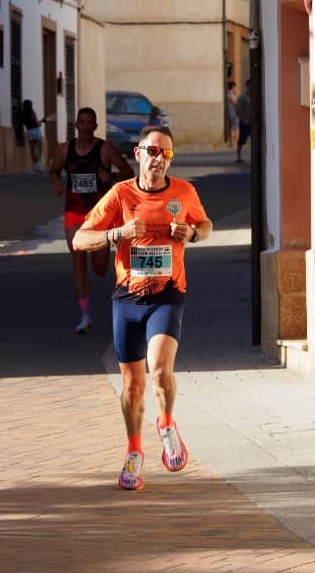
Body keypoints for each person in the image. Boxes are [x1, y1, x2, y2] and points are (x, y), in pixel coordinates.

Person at [72, 125, 213, 490]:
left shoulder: (183, 192)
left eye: (166, 154)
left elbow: (205, 224)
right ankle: (134, 450)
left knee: (160, 370)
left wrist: (192, 234)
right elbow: (80, 238)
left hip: (167, 295)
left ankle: (166, 424)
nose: (158, 159)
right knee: (133, 387)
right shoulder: (120, 194)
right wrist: (115, 234)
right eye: (152, 151)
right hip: (127, 300)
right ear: (138, 154)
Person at [49, 107, 134, 333]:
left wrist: (111, 176)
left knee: (99, 269)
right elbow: (54, 170)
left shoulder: (105, 149)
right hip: (74, 212)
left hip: (99, 216)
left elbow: (128, 172)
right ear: (76, 125)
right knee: (78, 261)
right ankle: (85, 316)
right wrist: (56, 184)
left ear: (95, 126)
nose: (86, 127)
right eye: (82, 123)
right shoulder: (64, 149)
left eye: (90, 123)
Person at [22, 100, 44, 172]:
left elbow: (25, 123)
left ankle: (34, 164)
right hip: (36, 131)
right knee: (39, 148)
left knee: (32, 149)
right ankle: (38, 164)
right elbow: (37, 123)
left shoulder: (23, 114)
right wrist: (41, 122)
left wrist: (38, 122)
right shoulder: (32, 113)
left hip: (29, 132)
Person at [235, 79, 251, 164]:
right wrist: (243, 119)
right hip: (244, 122)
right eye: (249, 86)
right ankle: (238, 157)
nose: (251, 88)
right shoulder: (242, 97)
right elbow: (237, 109)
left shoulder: (256, 96)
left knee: (256, 141)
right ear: (246, 86)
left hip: (253, 123)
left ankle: (256, 157)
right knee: (242, 140)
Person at [225, 80, 239, 147]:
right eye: (235, 87)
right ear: (233, 86)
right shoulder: (230, 94)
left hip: (232, 112)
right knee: (234, 127)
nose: (235, 88)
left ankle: (232, 143)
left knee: (233, 127)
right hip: (233, 112)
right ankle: (233, 143)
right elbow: (235, 103)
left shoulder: (230, 93)